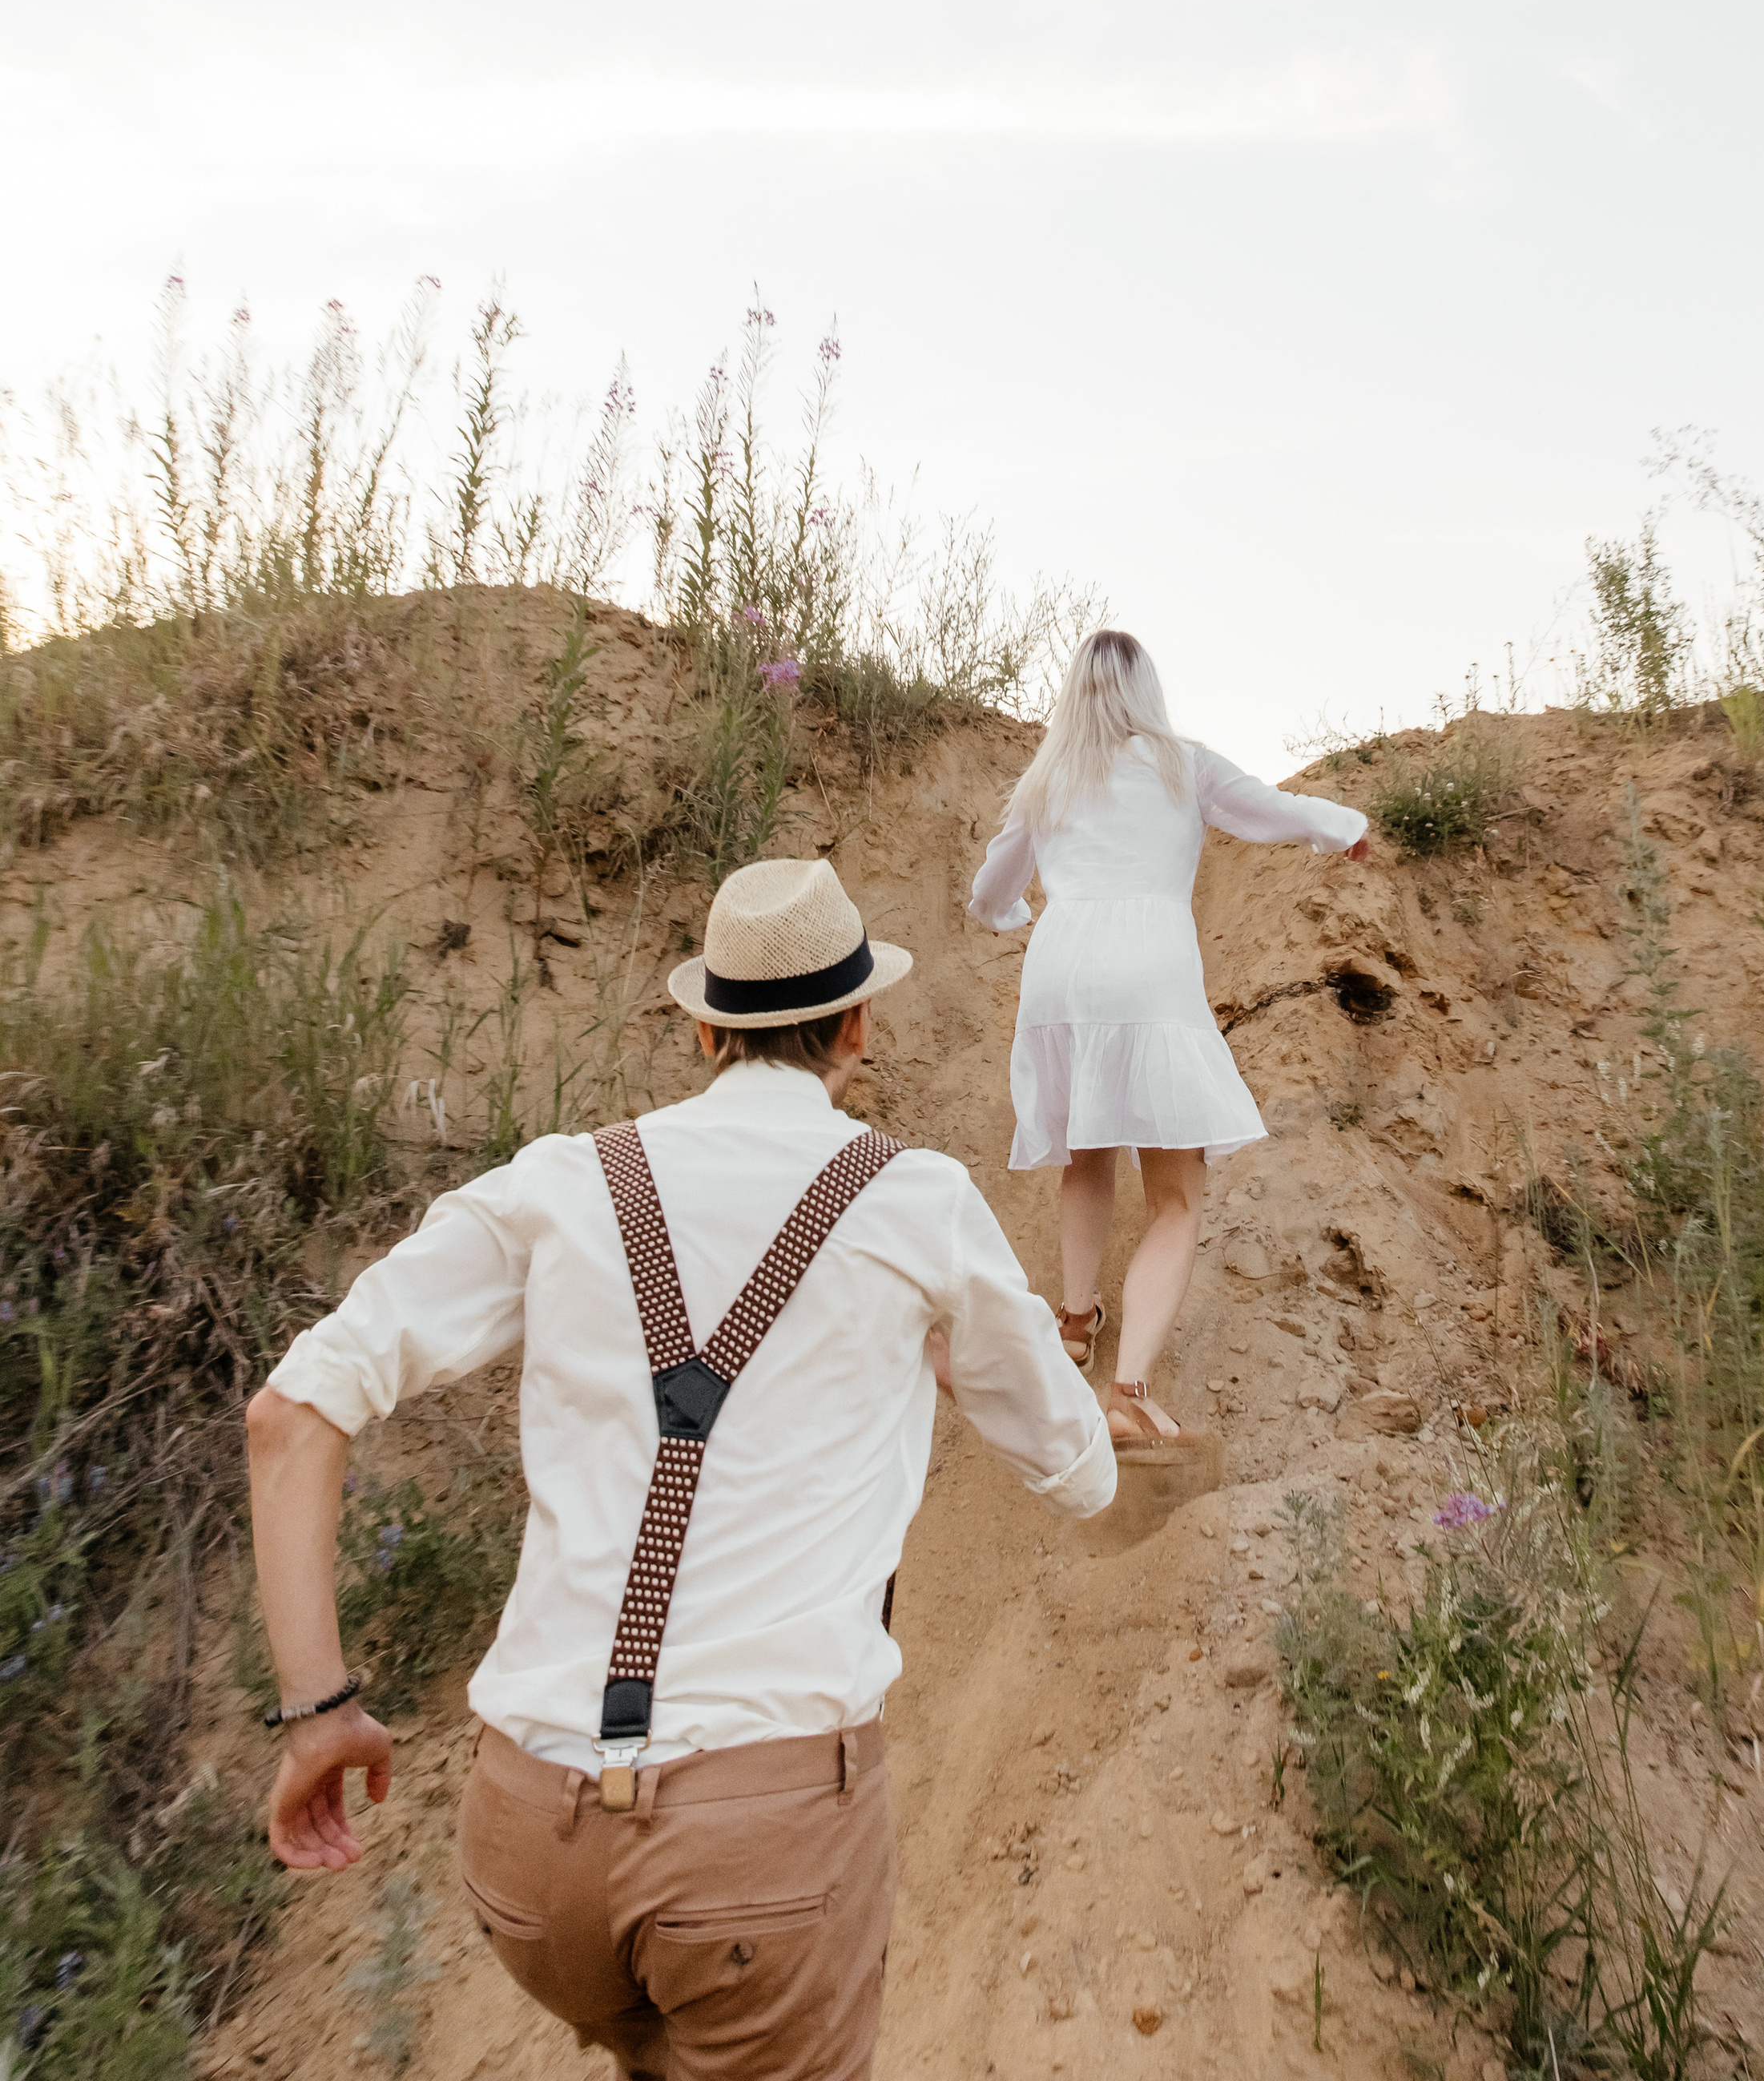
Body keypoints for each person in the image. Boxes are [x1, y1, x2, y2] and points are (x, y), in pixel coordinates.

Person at [245, 856, 1114, 2081]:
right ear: (859, 1023)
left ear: (705, 1026)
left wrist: (319, 1714)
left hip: (526, 1860)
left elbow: (289, 1417)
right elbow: (1069, 1462)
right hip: (759, 1862)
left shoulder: (558, 1184)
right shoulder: (917, 1203)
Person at [969, 629, 1372, 1449]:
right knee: (1177, 1200)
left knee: (1086, 1156)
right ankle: (1128, 1393)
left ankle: (1075, 1326)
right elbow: (1275, 810)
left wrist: (1021, 916)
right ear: (1145, 690)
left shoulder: (1046, 781)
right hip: (1147, 973)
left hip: (1060, 976)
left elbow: (990, 894)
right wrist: (1344, 827)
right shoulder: (1182, 764)